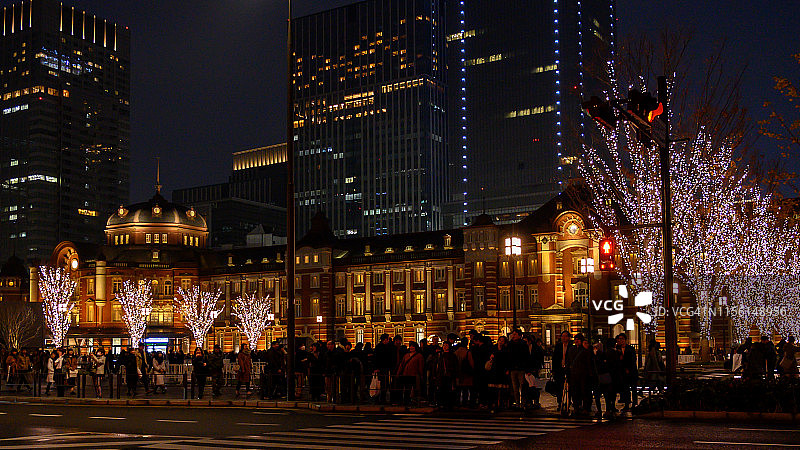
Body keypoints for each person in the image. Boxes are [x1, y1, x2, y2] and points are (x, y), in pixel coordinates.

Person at [551, 331, 576, 411]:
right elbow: (555, 358)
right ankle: (560, 402)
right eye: (562, 336)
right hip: (559, 369)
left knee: (570, 387)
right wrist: (554, 370)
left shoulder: (572, 346)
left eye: (565, 336)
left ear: (569, 337)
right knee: (559, 386)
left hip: (569, 370)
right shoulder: (558, 346)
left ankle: (569, 402)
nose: (564, 338)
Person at [507, 330, 529, 409]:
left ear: (520, 336)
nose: (513, 336)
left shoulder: (523, 344)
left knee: (522, 386)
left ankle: (523, 402)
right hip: (513, 368)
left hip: (521, 368)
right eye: (513, 334)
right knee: (515, 387)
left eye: (515, 334)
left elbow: (526, 356)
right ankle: (517, 402)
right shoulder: (510, 344)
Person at [616, 334, 638, 411]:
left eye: (622, 339)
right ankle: (627, 404)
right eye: (619, 339)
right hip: (623, 372)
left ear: (625, 340)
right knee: (625, 389)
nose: (620, 340)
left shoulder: (630, 348)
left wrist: (629, 368)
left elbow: (633, 359)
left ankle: (634, 404)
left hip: (631, 372)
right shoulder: (617, 349)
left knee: (633, 388)